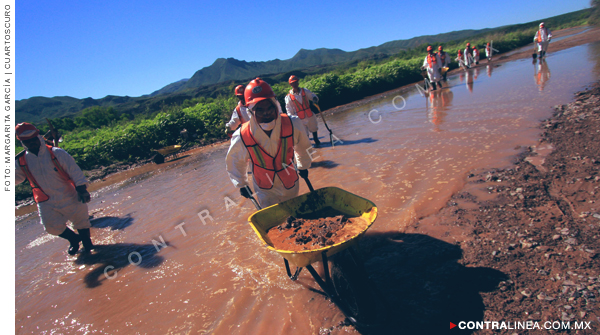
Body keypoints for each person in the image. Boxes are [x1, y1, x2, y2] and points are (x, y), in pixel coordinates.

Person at [226, 78, 313, 208]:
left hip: (290, 182)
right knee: (275, 220)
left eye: (269, 108)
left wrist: (303, 166)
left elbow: (303, 147)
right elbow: (235, 161)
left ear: (275, 105)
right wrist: (242, 184)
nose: (266, 113)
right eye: (260, 110)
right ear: (250, 111)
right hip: (265, 189)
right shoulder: (241, 136)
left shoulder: (293, 124)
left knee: (295, 213)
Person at [15, 123, 94, 255]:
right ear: (22, 142)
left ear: (38, 137)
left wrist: (82, 189)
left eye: (33, 139)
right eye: (27, 141)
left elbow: (74, 171)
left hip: (70, 194)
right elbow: (15, 179)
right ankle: (74, 239)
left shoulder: (56, 153)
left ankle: (88, 246)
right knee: (51, 227)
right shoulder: (21, 161)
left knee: (81, 221)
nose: (32, 143)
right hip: (46, 200)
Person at [285, 75, 321, 147]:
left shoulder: (305, 91)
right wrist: (291, 119)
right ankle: (310, 149)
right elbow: (289, 109)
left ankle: (317, 143)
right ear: (290, 84)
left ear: (298, 83)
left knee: (314, 129)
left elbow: (313, 96)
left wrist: (314, 99)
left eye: (295, 82)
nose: (294, 84)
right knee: (305, 135)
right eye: (293, 83)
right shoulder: (288, 97)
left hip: (309, 115)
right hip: (299, 118)